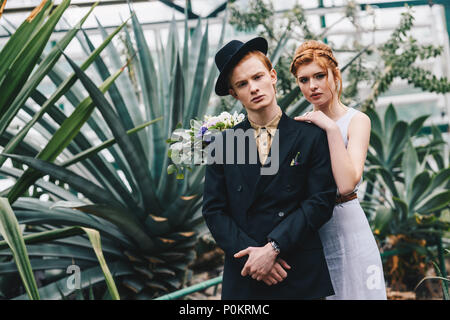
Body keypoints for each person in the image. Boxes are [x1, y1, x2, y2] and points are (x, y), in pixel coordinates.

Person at [202, 37, 337, 299]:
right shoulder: (224, 143)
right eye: (242, 84)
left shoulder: (310, 135)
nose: (253, 88)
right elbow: (214, 210)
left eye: (258, 77)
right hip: (246, 274)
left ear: (272, 76)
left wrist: (273, 248)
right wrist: (253, 258)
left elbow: (320, 201)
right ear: (234, 93)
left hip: (297, 271)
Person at [290, 40, 387, 300]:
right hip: (314, 233)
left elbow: (346, 184)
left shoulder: (356, 121)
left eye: (319, 76)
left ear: (335, 75)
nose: (312, 86)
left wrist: (331, 128)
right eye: (304, 80)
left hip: (349, 226)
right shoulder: (299, 128)